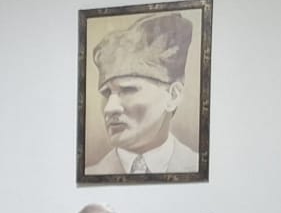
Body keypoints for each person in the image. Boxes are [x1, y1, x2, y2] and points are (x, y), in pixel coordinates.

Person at [85, 13, 200, 175]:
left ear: (173, 96)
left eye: (128, 90)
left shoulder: (197, 167)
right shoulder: (92, 174)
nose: (109, 108)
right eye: (106, 93)